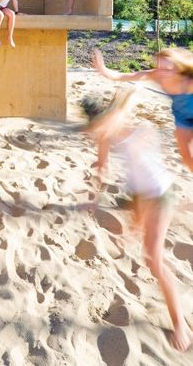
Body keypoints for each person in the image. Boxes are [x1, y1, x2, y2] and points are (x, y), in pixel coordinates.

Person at [80, 89, 192, 352]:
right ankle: (143, 227)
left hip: (160, 196)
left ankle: (181, 325)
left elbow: (134, 96)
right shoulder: (105, 135)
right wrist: (94, 197)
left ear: (110, 116)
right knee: (141, 248)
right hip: (138, 196)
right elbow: (102, 167)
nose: (99, 130)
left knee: (154, 260)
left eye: (101, 124)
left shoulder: (140, 130)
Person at [93, 47, 193, 171]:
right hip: (181, 117)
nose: (162, 72)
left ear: (177, 68)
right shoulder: (156, 75)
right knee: (188, 160)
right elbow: (124, 76)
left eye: (168, 69)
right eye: (159, 67)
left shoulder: (188, 80)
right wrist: (104, 70)